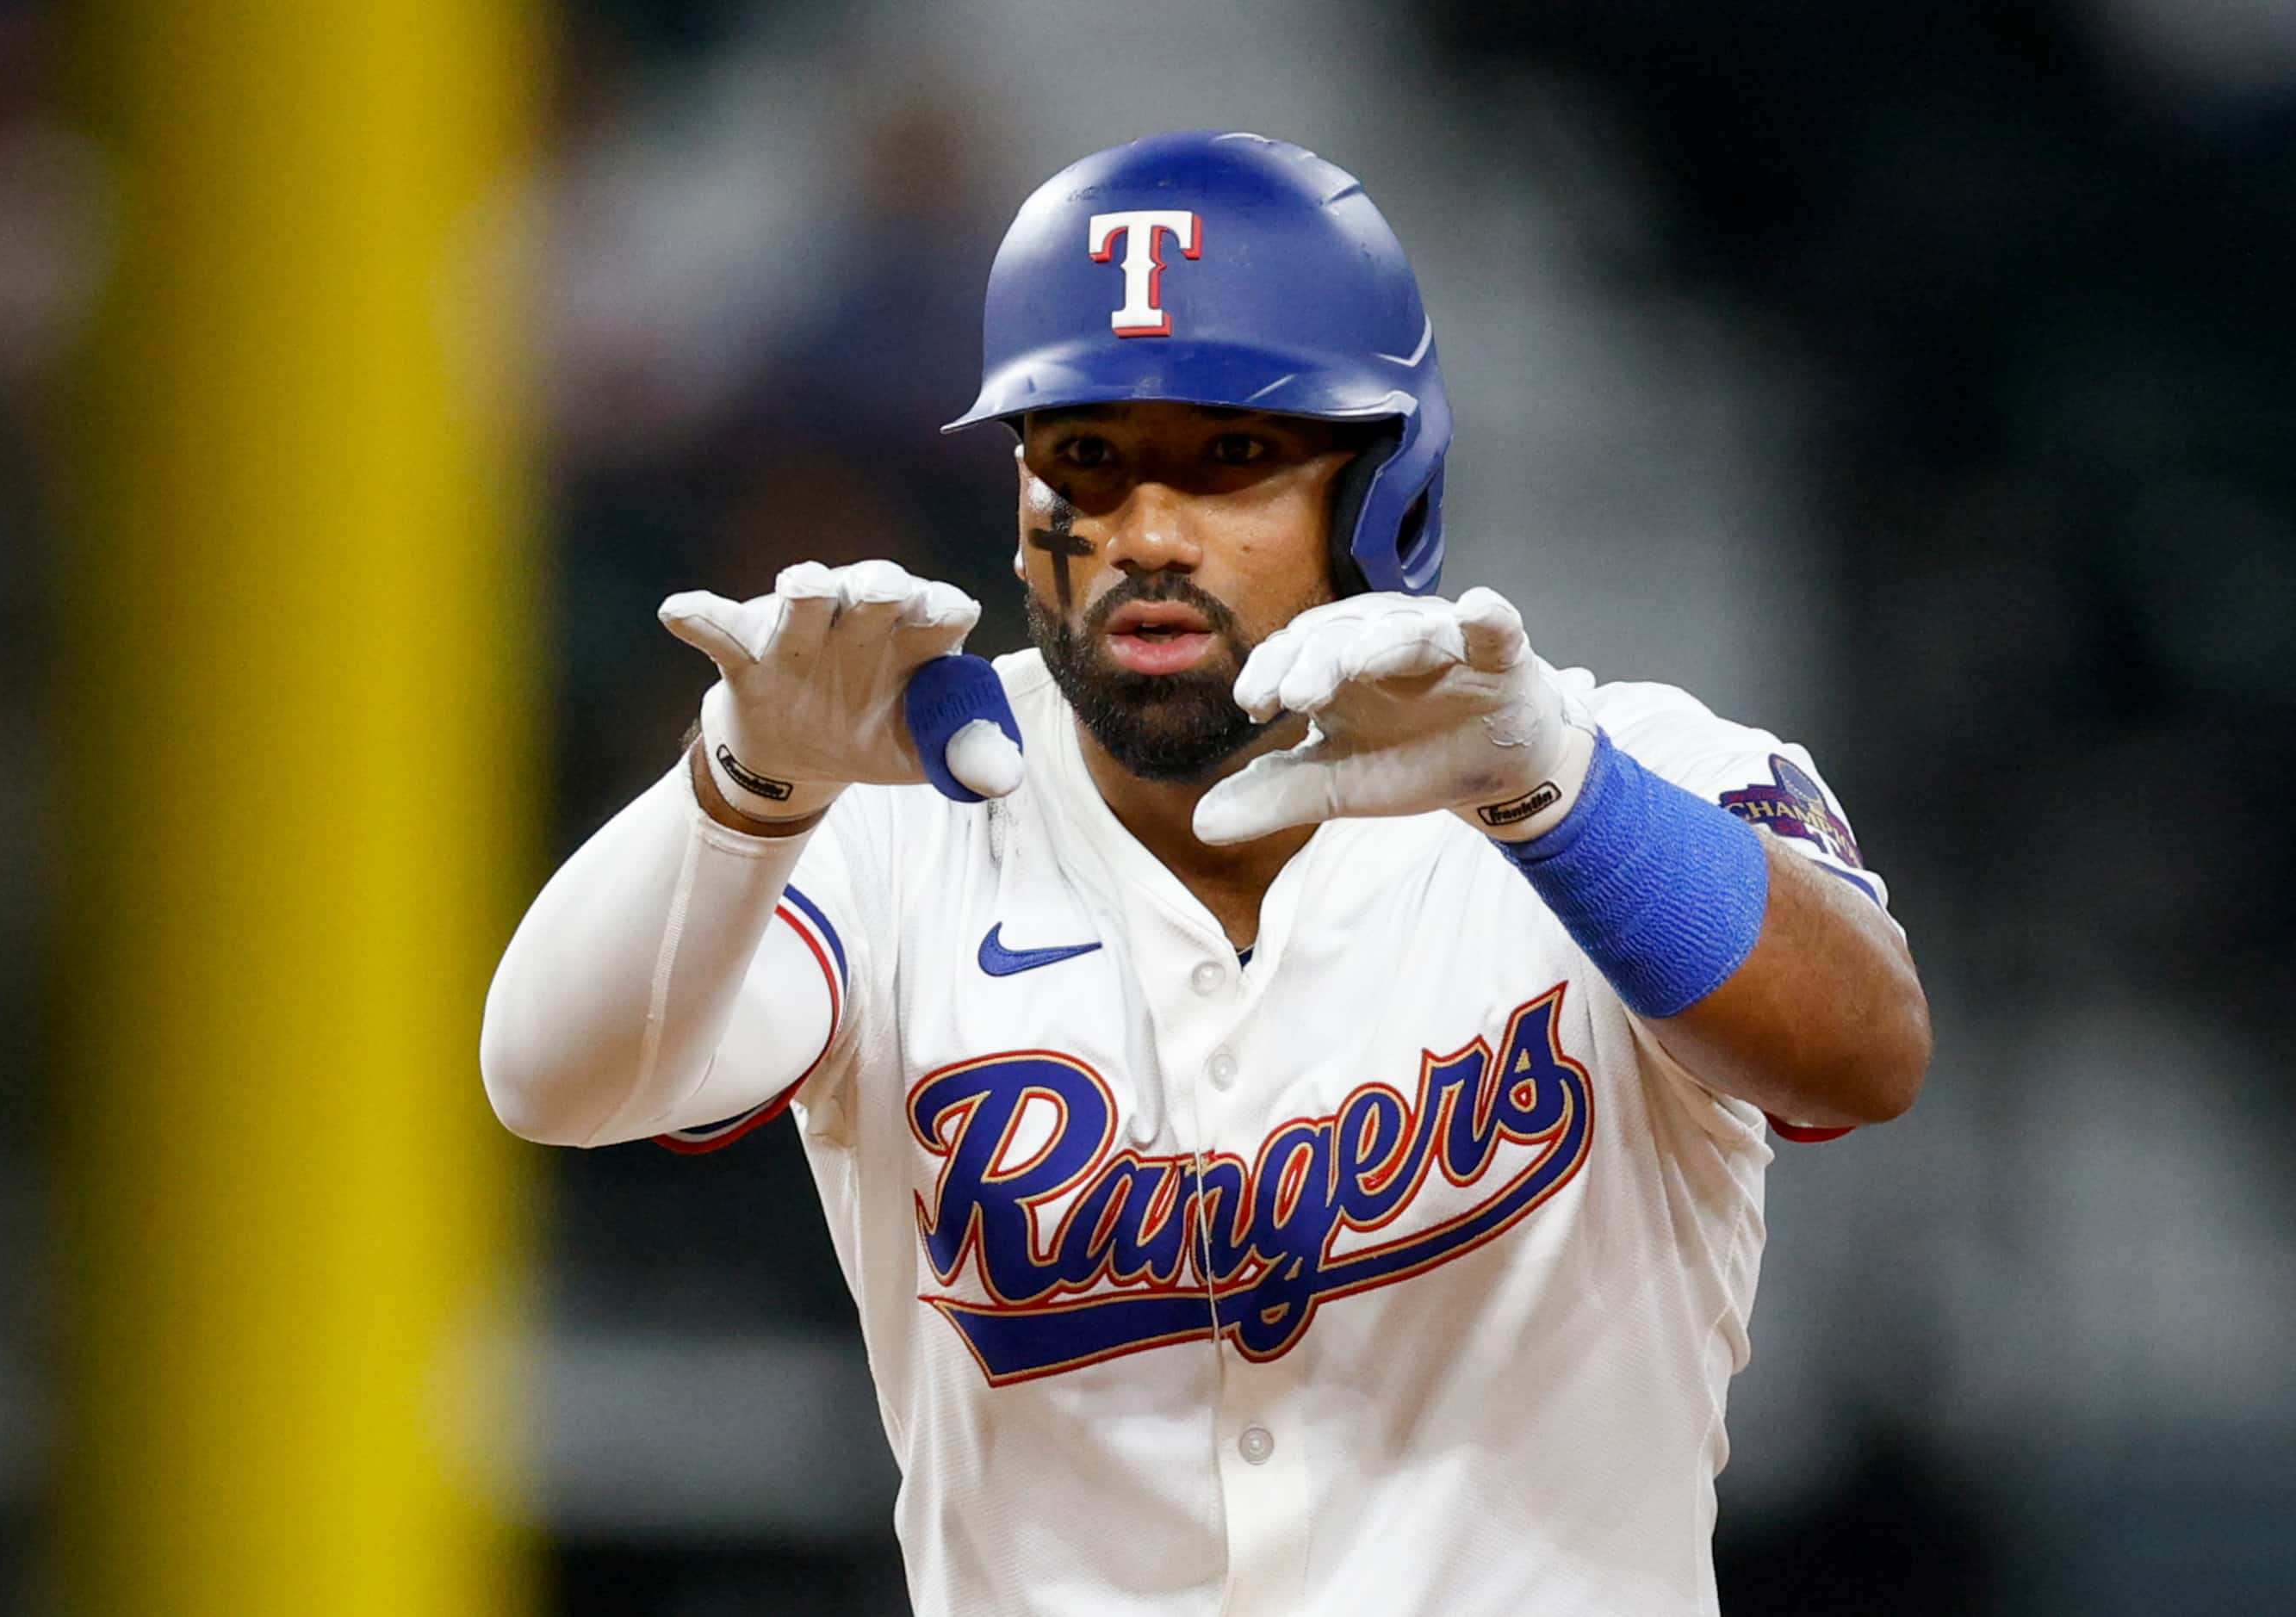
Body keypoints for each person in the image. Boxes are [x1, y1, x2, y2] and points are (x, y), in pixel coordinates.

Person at [481, 130, 1931, 1616]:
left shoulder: (1619, 775)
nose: (1147, 534)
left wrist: (1552, 791)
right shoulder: (896, 821)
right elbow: (557, 1080)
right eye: (1087, 459)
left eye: (1232, 457)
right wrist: (743, 787)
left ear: (1382, 483)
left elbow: (1864, 1054)